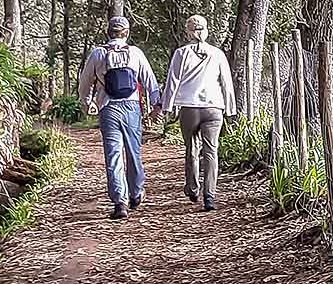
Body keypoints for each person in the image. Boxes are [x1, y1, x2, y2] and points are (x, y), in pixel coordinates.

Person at [78, 15, 161, 220]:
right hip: (132, 107)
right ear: (126, 33)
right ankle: (136, 192)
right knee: (134, 151)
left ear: (108, 32)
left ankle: (120, 202)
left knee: (113, 154)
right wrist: (157, 105)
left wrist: (87, 103)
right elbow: (150, 81)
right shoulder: (135, 53)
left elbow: (85, 82)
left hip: (108, 108)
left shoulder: (98, 54)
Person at [160, 15, 235, 211]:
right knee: (212, 151)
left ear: (188, 32)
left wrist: (166, 107)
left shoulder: (181, 53)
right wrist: (230, 108)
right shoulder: (217, 54)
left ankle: (193, 187)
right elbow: (226, 82)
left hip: (190, 107)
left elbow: (173, 81)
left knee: (191, 148)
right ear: (206, 30)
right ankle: (210, 195)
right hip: (214, 107)